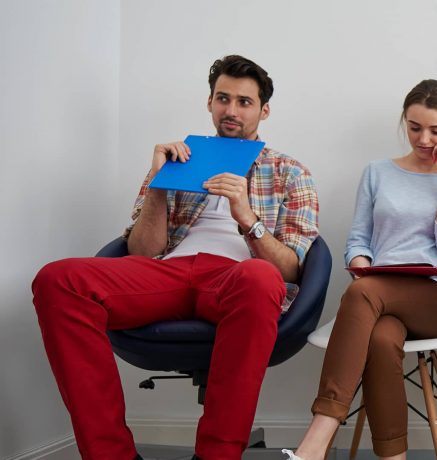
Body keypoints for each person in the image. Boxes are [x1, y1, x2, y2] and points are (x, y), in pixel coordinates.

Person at [31, 55, 319, 460]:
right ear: (209, 102)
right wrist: (159, 184)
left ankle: (216, 455)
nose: (231, 111)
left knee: (260, 278)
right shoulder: (180, 158)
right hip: (168, 272)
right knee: (57, 280)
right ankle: (111, 454)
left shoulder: (291, 172)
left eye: (244, 102)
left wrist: (246, 216)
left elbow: (291, 268)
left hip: (237, 278)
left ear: (264, 110)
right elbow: (141, 252)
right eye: (223, 98)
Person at [286, 79, 437, 460]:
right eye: (414, 127)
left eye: (436, 131)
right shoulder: (377, 172)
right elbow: (359, 240)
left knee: (364, 293)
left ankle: (316, 440)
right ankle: (394, 456)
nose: (423, 139)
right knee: (380, 339)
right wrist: (361, 264)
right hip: (380, 295)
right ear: (404, 122)